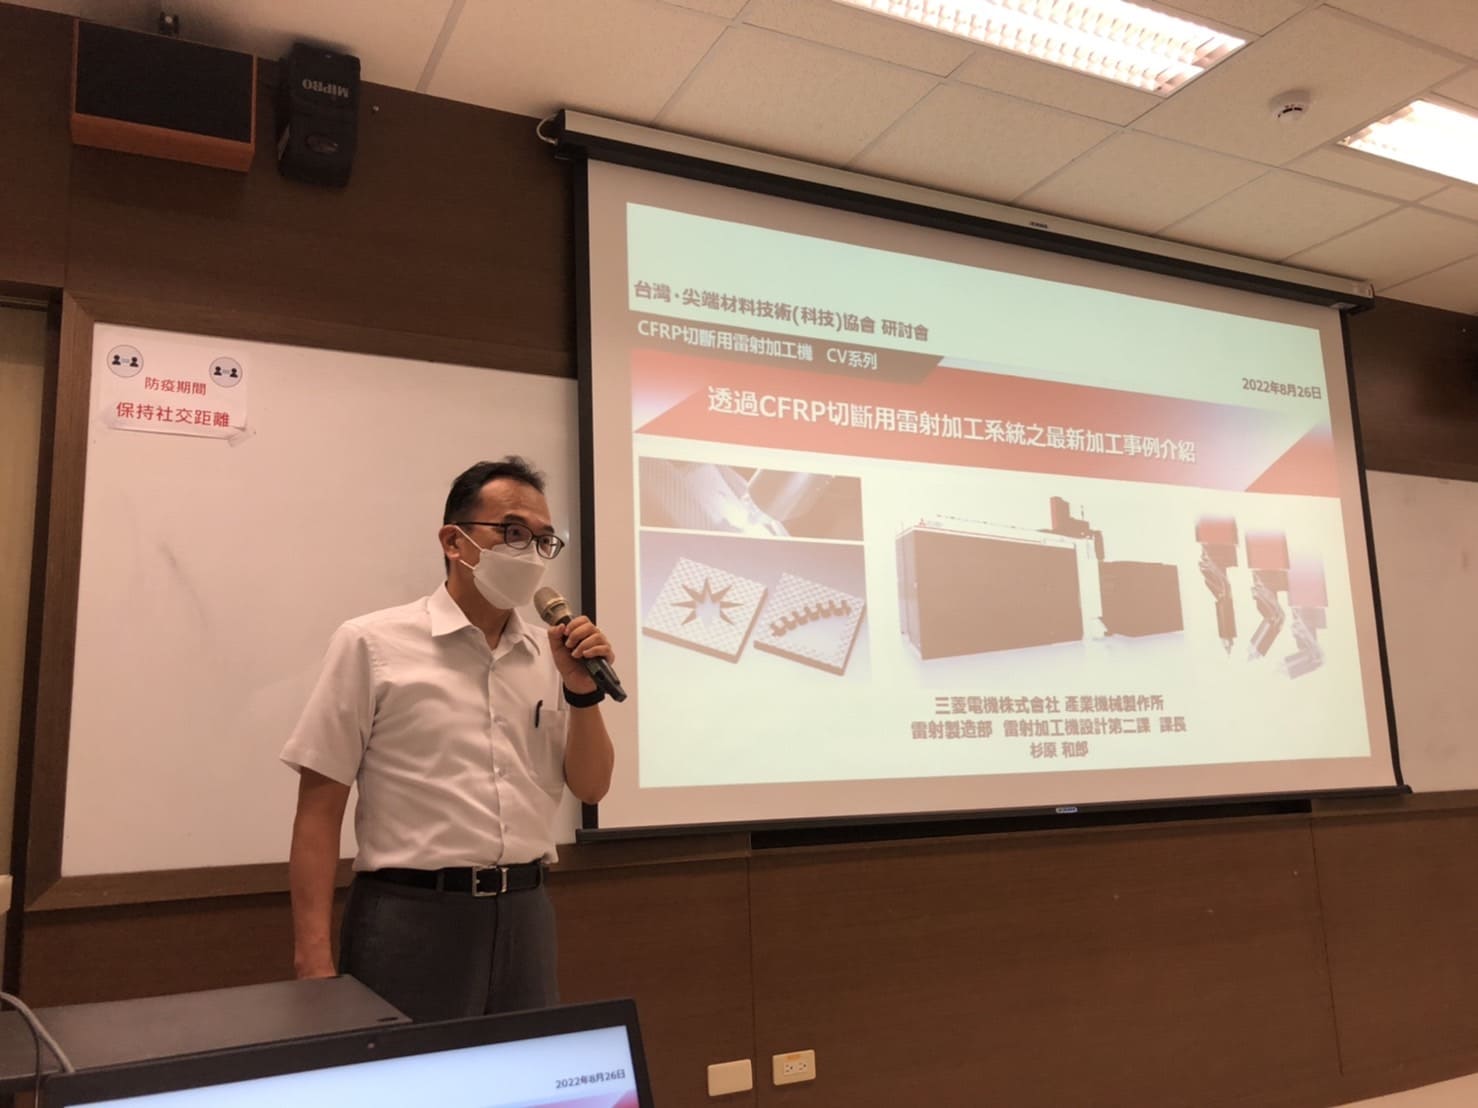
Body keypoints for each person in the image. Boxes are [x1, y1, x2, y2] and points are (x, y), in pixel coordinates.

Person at [281, 457, 615, 1020]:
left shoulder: (550, 654)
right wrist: (312, 961)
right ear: (454, 542)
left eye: (543, 540)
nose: (531, 553)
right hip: (411, 915)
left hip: (526, 912)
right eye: (512, 532)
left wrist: (582, 694)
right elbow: (318, 809)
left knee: (524, 1069)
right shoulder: (372, 644)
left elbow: (593, 786)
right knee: (410, 1072)